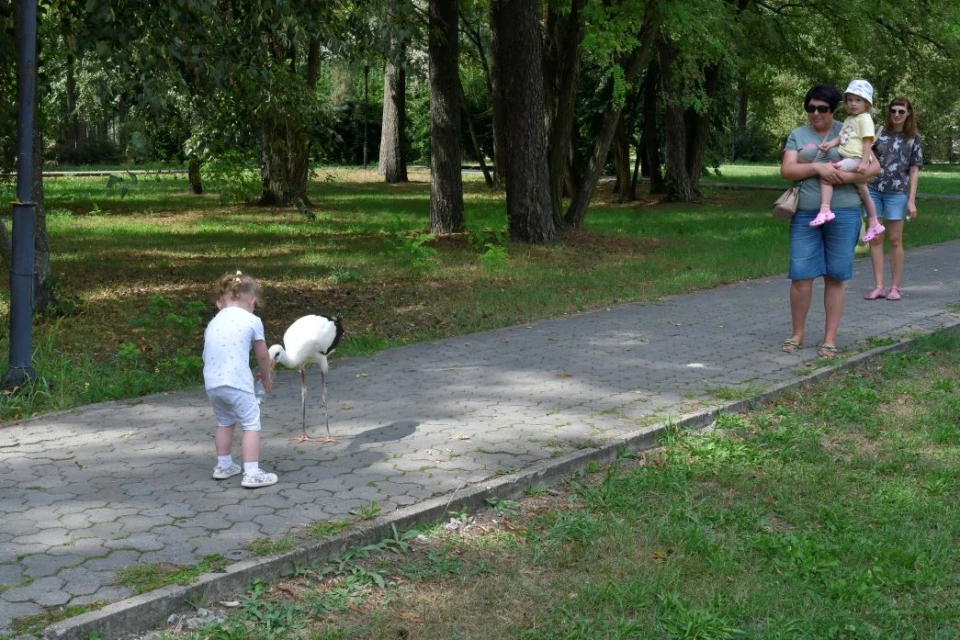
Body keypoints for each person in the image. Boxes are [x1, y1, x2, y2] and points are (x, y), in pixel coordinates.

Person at [780, 84, 881, 358]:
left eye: (822, 108)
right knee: (800, 275)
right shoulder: (798, 134)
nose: (815, 113)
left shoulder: (850, 126)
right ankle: (797, 334)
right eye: (810, 108)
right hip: (806, 213)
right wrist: (816, 167)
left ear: (833, 108)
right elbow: (787, 170)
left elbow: (874, 168)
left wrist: (845, 177)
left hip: (845, 212)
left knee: (835, 275)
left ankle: (829, 338)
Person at [203, 271, 278, 488]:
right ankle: (252, 472)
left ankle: (224, 465)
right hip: (237, 381)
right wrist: (266, 378)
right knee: (251, 423)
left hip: (213, 383)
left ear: (219, 303)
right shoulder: (252, 320)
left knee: (225, 422)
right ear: (252, 301)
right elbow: (263, 356)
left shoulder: (213, 323)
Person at [863, 97, 924, 301]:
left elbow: (914, 170)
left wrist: (912, 200)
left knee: (895, 240)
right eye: (893, 111)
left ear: (908, 114)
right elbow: (865, 155)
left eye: (901, 111)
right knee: (876, 238)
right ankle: (879, 286)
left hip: (897, 194)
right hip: (873, 191)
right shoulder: (879, 133)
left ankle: (895, 287)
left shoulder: (913, 138)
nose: (896, 115)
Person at [813, 79, 885, 243]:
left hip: (855, 158)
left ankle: (825, 210)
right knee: (864, 192)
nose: (853, 104)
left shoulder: (865, 119)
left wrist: (862, 163)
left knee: (827, 174)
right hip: (848, 157)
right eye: (850, 100)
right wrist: (829, 144)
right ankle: (874, 222)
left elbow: (867, 143)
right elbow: (842, 137)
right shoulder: (850, 119)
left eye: (858, 100)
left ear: (867, 103)